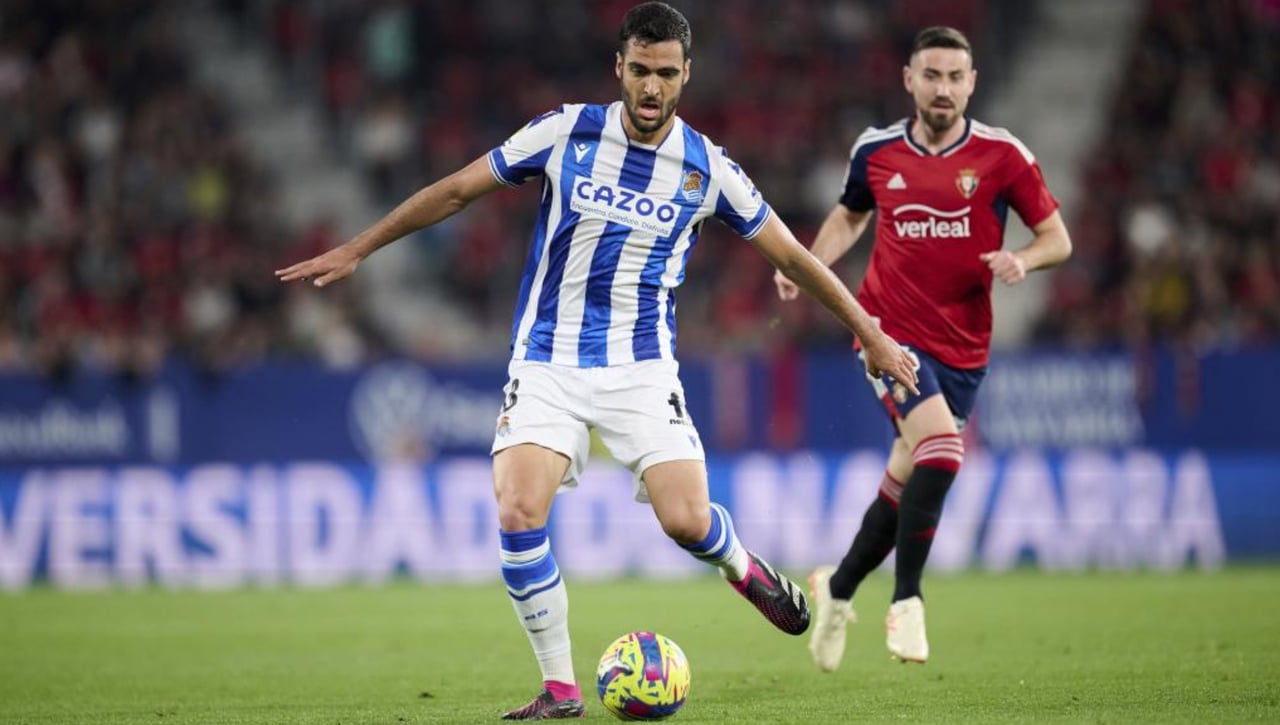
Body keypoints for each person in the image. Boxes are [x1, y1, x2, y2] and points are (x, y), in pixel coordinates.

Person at [278, 2, 920, 719]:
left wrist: (871, 331)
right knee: (519, 506)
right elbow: (458, 190)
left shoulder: (707, 167)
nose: (651, 88)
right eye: (640, 71)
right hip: (547, 363)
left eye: (666, 74)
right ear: (619, 67)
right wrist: (359, 247)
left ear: (686, 75)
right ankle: (560, 689)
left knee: (685, 521)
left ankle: (744, 568)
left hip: (642, 371)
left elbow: (795, 257)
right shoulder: (564, 132)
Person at [774, 26, 1072, 670]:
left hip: (965, 348)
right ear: (909, 79)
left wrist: (1023, 259)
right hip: (885, 331)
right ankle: (907, 601)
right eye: (930, 75)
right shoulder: (876, 151)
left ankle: (839, 588)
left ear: (972, 83)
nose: (942, 88)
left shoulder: (1003, 157)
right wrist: (804, 264)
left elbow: (1057, 238)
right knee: (942, 448)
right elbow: (852, 214)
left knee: (909, 472)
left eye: (954, 77)